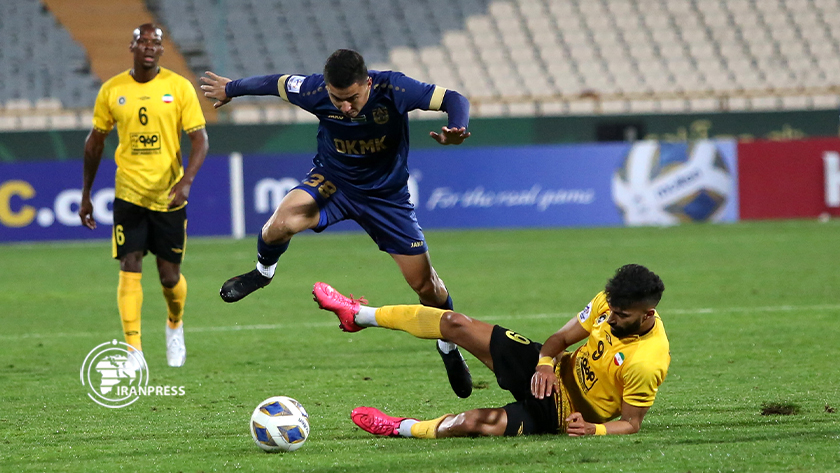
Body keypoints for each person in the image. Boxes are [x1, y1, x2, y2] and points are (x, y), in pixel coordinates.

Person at [200, 49, 474, 397]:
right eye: (337, 99)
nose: (344, 107)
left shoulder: (396, 89)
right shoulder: (314, 90)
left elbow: (454, 98)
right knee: (278, 224)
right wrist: (232, 88)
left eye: (352, 98)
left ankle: (448, 348)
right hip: (334, 183)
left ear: (368, 83)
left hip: (386, 198)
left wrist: (459, 126)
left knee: (426, 287)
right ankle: (261, 274)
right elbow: (276, 83)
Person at [313, 264, 670, 438]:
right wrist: (545, 364)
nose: (612, 318)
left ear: (647, 314)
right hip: (548, 374)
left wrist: (594, 430)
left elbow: (632, 423)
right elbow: (559, 341)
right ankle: (357, 315)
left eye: (622, 315)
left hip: (562, 413)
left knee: (471, 422)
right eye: (613, 310)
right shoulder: (608, 304)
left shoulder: (647, 361)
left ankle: (398, 428)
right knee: (455, 322)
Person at [79, 24, 209, 369]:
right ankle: (133, 350)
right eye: (144, 41)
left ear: (162, 51)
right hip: (129, 193)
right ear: (132, 46)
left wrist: (186, 182)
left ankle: (175, 324)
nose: (150, 47)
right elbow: (94, 143)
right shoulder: (112, 90)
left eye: (156, 42)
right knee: (130, 265)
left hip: (168, 195)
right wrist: (86, 193)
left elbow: (200, 139)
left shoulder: (179, 87)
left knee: (169, 277)